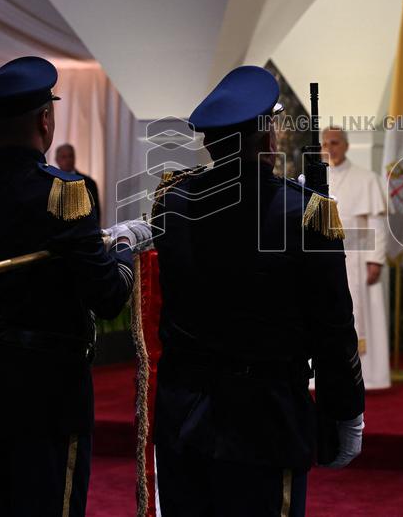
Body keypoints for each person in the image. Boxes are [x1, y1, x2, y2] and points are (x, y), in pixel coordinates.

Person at [0, 56, 150, 517]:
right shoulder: (62, 194)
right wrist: (123, 248)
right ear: (45, 120)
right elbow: (108, 295)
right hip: (47, 389)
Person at [152, 66, 365, 516]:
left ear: (211, 143)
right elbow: (333, 327)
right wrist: (346, 410)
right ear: (268, 136)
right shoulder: (304, 213)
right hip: (264, 422)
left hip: (183, 418)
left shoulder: (172, 204)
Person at [321, 126, 390, 389]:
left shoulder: (367, 179)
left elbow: (377, 223)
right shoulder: (316, 180)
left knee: (362, 315)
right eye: (325, 144)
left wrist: (375, 259)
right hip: (324, 257)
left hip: (359, 258)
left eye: (335, 142)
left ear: (346, 146)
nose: (330, 148)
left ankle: (370, 377)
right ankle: (321, 375)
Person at [55, 143, 101, 222]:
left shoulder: (89, 183)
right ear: (57, 160)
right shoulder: (50, 182)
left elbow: (96, 213)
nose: (68, 160)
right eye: (64, 157)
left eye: (70, 156)